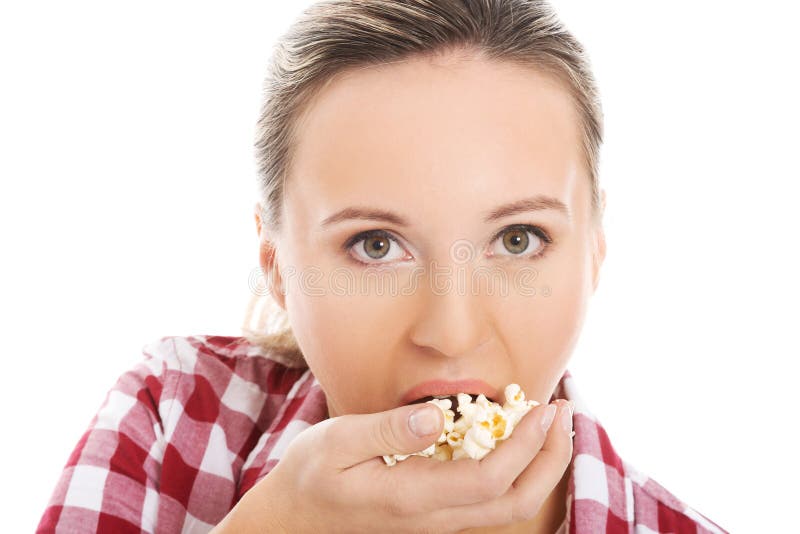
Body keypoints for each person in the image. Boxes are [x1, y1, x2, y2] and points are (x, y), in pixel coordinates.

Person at [37, 1, 729, 532]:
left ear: (596, 250)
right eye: (375, 245)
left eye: (518, 239)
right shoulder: (173, 414)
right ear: (275, 266)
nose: (451, 334)